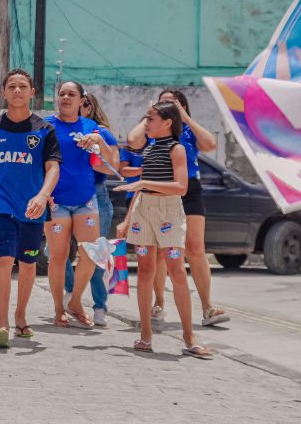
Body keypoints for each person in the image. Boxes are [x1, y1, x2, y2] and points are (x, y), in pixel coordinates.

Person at [0, 69, 60, 348]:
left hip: (32, 207)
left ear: (32, 92)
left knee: (28, 262)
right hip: (1, 204)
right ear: (4, 92)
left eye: (23, 86)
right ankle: (3, 323)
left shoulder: (44, 130)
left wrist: (42, 196)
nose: (17, 91)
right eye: (12, 86)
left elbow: (53, 168)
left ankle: (20, 315)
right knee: (4, 259)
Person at [116, 102, 213, 359]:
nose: (146, 123)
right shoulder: (149, 148)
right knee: (145, 270)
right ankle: (145, 334)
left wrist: (141, 182)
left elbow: (181, 187)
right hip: (144, 211)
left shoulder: (177, 148)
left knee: (177, 271)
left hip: (169, 212)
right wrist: (129, 214)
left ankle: (189, 337)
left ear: (167, 123)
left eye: (151, 119)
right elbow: (139, 169)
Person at [127, 89, 229, 327]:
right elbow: (133, 140)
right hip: (159, 189)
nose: (167, 107)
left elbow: (210, 144)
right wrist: (149, 114)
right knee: (161, 251)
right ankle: (159, 303)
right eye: (162, 103)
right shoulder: (154, 128)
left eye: (172, 103)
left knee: (195, 247)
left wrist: (184, 117)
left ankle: (207, 307)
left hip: (189, 189)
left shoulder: (187, 131)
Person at [43, 81, 117, 329]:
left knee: (91, 254)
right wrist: (42, 193)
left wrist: (99, 141)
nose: (65, 97)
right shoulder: (46, 126)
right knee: (58, 256)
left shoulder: (91, 127)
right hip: (56, 201)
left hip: (86, 199)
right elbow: (36, 162)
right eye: (62, 93)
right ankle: (58, 310)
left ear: (81, 101)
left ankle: (74, 301)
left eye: (71, 94)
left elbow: (111, 164)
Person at [65, 90, 119, 326]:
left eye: (80, 103)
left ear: (88, 107)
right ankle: (72, 293)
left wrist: (91, 153)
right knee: (56, 252)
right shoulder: (62, 129)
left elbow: (114, 165)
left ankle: (99, 306)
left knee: (97, 253)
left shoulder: (101, 133)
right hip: (66, 194)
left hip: (95, 192)